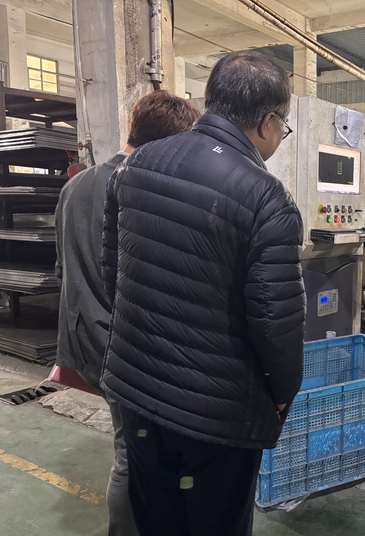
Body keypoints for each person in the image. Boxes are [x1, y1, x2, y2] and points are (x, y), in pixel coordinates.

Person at [100, 51, 306, 536]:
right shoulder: (267, 198)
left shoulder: (136, 165)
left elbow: (115, 274)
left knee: (155, 520)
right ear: (268, 123)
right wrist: (283, 393)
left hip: (138, 391)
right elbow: (275, 322)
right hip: (218, 415)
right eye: (284, 128)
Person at [55, 90, 200, 536]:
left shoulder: (75, 185)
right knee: (133, 456)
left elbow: (63, 267)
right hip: (125, 347)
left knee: (132, 446)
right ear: (170, 144)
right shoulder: (143, 189)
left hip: (85, 336)